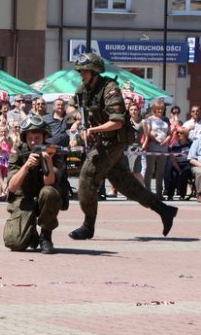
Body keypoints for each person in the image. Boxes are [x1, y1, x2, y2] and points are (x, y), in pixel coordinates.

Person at [66, 53, 177, 240]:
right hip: (103, 141)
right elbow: (70, 107)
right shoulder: (83, 89)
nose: (81, 74)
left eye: (84, 71)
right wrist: (79, 116)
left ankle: (88, 226)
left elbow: (117, 122)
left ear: (94, 71)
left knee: (86, 177)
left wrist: (92, 129)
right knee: (125, 184)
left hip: (113, 142)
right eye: (80, 71)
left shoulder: (110, 89)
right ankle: (164, 210)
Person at [5, 116, 60, 254]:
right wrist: (26, 166)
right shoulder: (19, 152)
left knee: (49, 192)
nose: (33, 142)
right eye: (30, 138)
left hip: (44, 198)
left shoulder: (52, 151)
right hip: (23, 199)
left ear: (45, 136)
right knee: (15, 243)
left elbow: (50, 182)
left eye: (37, 138)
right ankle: (31, 234)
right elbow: (12, 187)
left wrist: (48, 161)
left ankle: (46, 236)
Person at [187, 132, 201, 203]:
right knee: (200, 172)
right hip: (197, 165)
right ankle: (199, 194)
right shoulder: (196, 142)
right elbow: (191, 159)